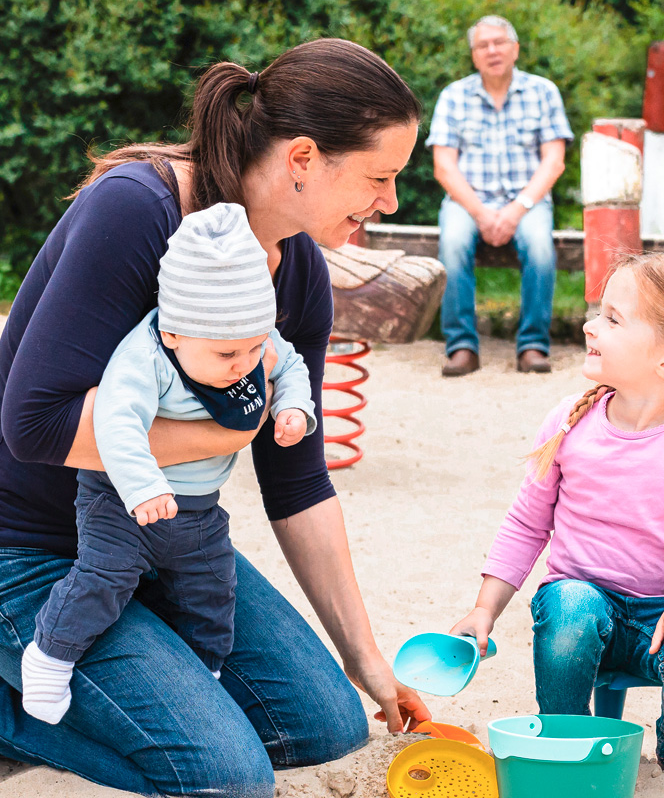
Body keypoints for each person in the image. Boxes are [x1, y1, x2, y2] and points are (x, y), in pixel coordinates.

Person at [0, 39, 429, 797]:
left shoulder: (298, 268)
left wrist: (368, 662)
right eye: (380, 177)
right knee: (226, 775)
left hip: (164, 540)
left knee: (325, 725)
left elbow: (298, 484)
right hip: (29, 546)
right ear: (303, 157)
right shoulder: (136, 208)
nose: (390, 202)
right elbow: (33, 424)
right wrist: (229, 431)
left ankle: (98, 680)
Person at [450, 253, 664, 781]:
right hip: (579, 611)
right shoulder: (569, 422)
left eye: (612, 319)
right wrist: (485, 609)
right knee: (571, 604)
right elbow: (528, 525)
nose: (588, 325)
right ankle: (565, 740)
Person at [21, 201, 316, 725]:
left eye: (251, 349)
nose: (245, 365)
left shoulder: (249, 338)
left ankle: (206, 678)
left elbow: (288, 364)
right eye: (228, 356)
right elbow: (115, 425)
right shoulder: (146, 357)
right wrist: (141, 488)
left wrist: (293, 405)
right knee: (103, 580)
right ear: (176, 332)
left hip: (198, 514)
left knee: (211, 594)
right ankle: (50, 654)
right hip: (121, 504)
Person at [426, 15, 573, 377]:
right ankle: (461, 346)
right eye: (482, 45)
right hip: (467, 201)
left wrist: (516, 209)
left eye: (499, 42)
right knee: (454, 243)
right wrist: (481, 213)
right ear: (474, 56)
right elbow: (444, 167)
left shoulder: (544, 92)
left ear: (515, 48)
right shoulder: (453, 96)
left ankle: (533, 346)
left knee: (541, 247)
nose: (492, 50)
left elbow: (553, 162)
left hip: (528, 201)